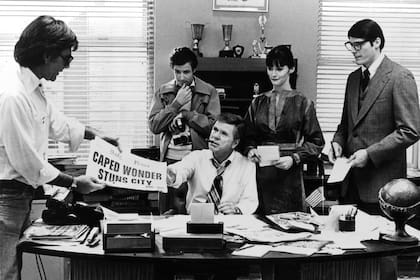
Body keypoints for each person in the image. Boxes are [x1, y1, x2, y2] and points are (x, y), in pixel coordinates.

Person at [0, 15, 119, 280]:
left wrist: (98, 136)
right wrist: (75, 183)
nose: (66, 66)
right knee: (5, 273)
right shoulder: (13, 95)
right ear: (46, 54)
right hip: (6, 197)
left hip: (19, 197)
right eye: (65, 58)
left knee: (11, 270)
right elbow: (28, 162)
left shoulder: (34, 91)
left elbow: (59, 124)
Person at [328, 19, 420, 280]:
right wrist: (337, 142)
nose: (353, 50)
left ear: (377, 42)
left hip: (382, 187)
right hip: (351, 184)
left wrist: (370, 153)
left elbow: (410, 130)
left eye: (358, 45)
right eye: (350, 45)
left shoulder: (400, 77)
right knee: (350, 256)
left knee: (382, 259)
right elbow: (346, 125)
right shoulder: (353, 79)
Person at [243, 45, 325, 215]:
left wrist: (294, 158)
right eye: (270, 68)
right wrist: (250, 150)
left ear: (291, 69)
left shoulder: (304, 103)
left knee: (290, 223)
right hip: (261, 172)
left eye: (279, 69)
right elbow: (246, 136)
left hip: (290, 173)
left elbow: (317, 142)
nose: (274, 74)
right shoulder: (257, 103)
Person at [149, 47, 220, 213]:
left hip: (198, 162)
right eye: (177, 72)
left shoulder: (208, 91)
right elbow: (154, 126)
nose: (182, 77)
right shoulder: (163, 91)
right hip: (170, 160)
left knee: (197, 212)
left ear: (194, 70)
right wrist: (175, 105)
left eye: (186, 72)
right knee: (169, 213)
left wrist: (187, 115)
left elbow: (214, 128)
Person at [167, 113, 258, 215]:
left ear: (235, 143)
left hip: (229, 222)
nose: (215, 136)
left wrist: (237, 210)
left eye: (224, 133)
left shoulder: (247, 165)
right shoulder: (196, 157)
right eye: (215, 130)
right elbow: (180, 170)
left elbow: (250, 200)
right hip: (196, 221)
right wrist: (172, 174)